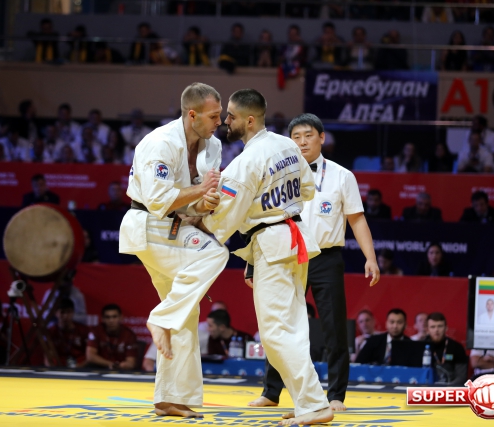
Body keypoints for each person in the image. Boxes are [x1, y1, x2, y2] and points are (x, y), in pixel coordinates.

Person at [200, 89, 334, 425]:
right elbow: (307, 189)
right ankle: (309, 402)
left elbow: (223, 218)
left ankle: (314, 405)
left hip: (273, 244)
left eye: (231, 116)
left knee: (275, 333)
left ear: (248, 120)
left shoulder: (246, 162)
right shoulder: (287, 145)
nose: (226, 121)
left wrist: (201, 212)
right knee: (294, 328)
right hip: (295, 237)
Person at [248, 113, 380, 413]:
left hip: (325, 258)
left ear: (322, 138)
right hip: (285, 255)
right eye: (296, 137)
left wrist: (370, 258)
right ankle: (271, 391)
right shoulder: (277, 174)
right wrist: (252, 264)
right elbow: (261, 221)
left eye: (308, 135)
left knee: (334, 328)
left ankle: (336, 395)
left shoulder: (342, 176)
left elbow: (357, 220)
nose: (302, 141)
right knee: (279, 324)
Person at [118, 82, 229, 418]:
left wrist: (207, 202)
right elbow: (158, 201)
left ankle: (169, 399)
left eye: (220, 115)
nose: (219, 121)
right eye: (213, 116)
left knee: (187, 312)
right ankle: (160, 318)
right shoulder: (160, 143)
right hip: (148, 224)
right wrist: (202, 190)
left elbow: (198, 199)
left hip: (175, 227)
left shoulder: (213, 146)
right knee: (215, 253)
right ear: (192, 115)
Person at [86, 304, 137, 370]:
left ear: (121, 317)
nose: (111, 320)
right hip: (98, 368)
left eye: (114, 317)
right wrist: (110, 364)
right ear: (102, 319)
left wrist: (123, 365)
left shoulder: (128, 334)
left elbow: (131, 363)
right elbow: (90, 356)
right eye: (107, 317)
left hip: (120, 370)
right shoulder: (96, 331)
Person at [425, 312, 468, 385]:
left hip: (450, 388)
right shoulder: (420, 347)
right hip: (425, 389)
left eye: (440, 326)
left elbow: (461, 377)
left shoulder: (457, 347)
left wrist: (446, 388)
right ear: (427, 330)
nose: (436, 330)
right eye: (432, 327)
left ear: (446, 328)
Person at [46, 297, 89, 368]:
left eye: (69, 312)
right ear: (56, 313)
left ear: (73, 312)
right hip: (58, 366)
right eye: (62, 312)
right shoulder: (51, 332)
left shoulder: (83, 330)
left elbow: (90, 355)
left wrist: (80, 367)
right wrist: (51, 371)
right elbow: (47, 356)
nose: (66, 316)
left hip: (81, 366)